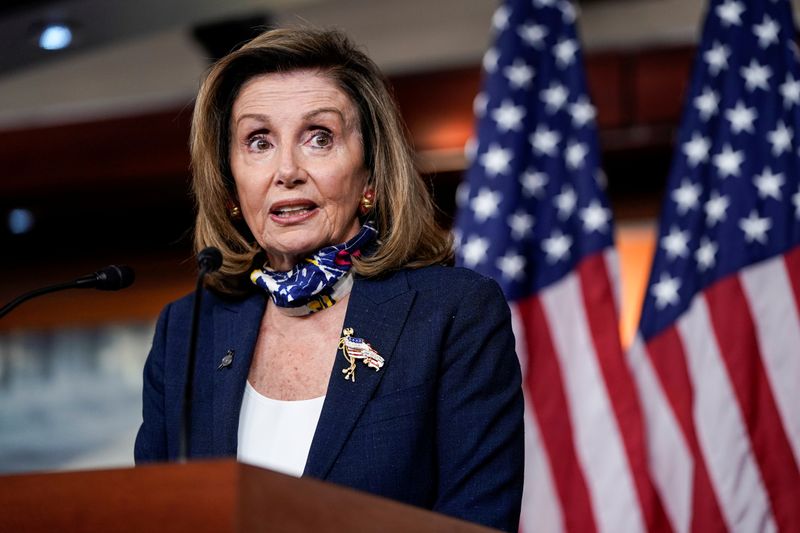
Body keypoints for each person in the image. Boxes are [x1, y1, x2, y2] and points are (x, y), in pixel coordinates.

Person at [134, 27, 524, 532]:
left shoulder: (452, 313)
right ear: (230, 182)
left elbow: (479, 521)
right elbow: (151, 514)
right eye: (259, 141)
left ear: (369, 173)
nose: (287, 170)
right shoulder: (186, 333)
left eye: (319, 137)